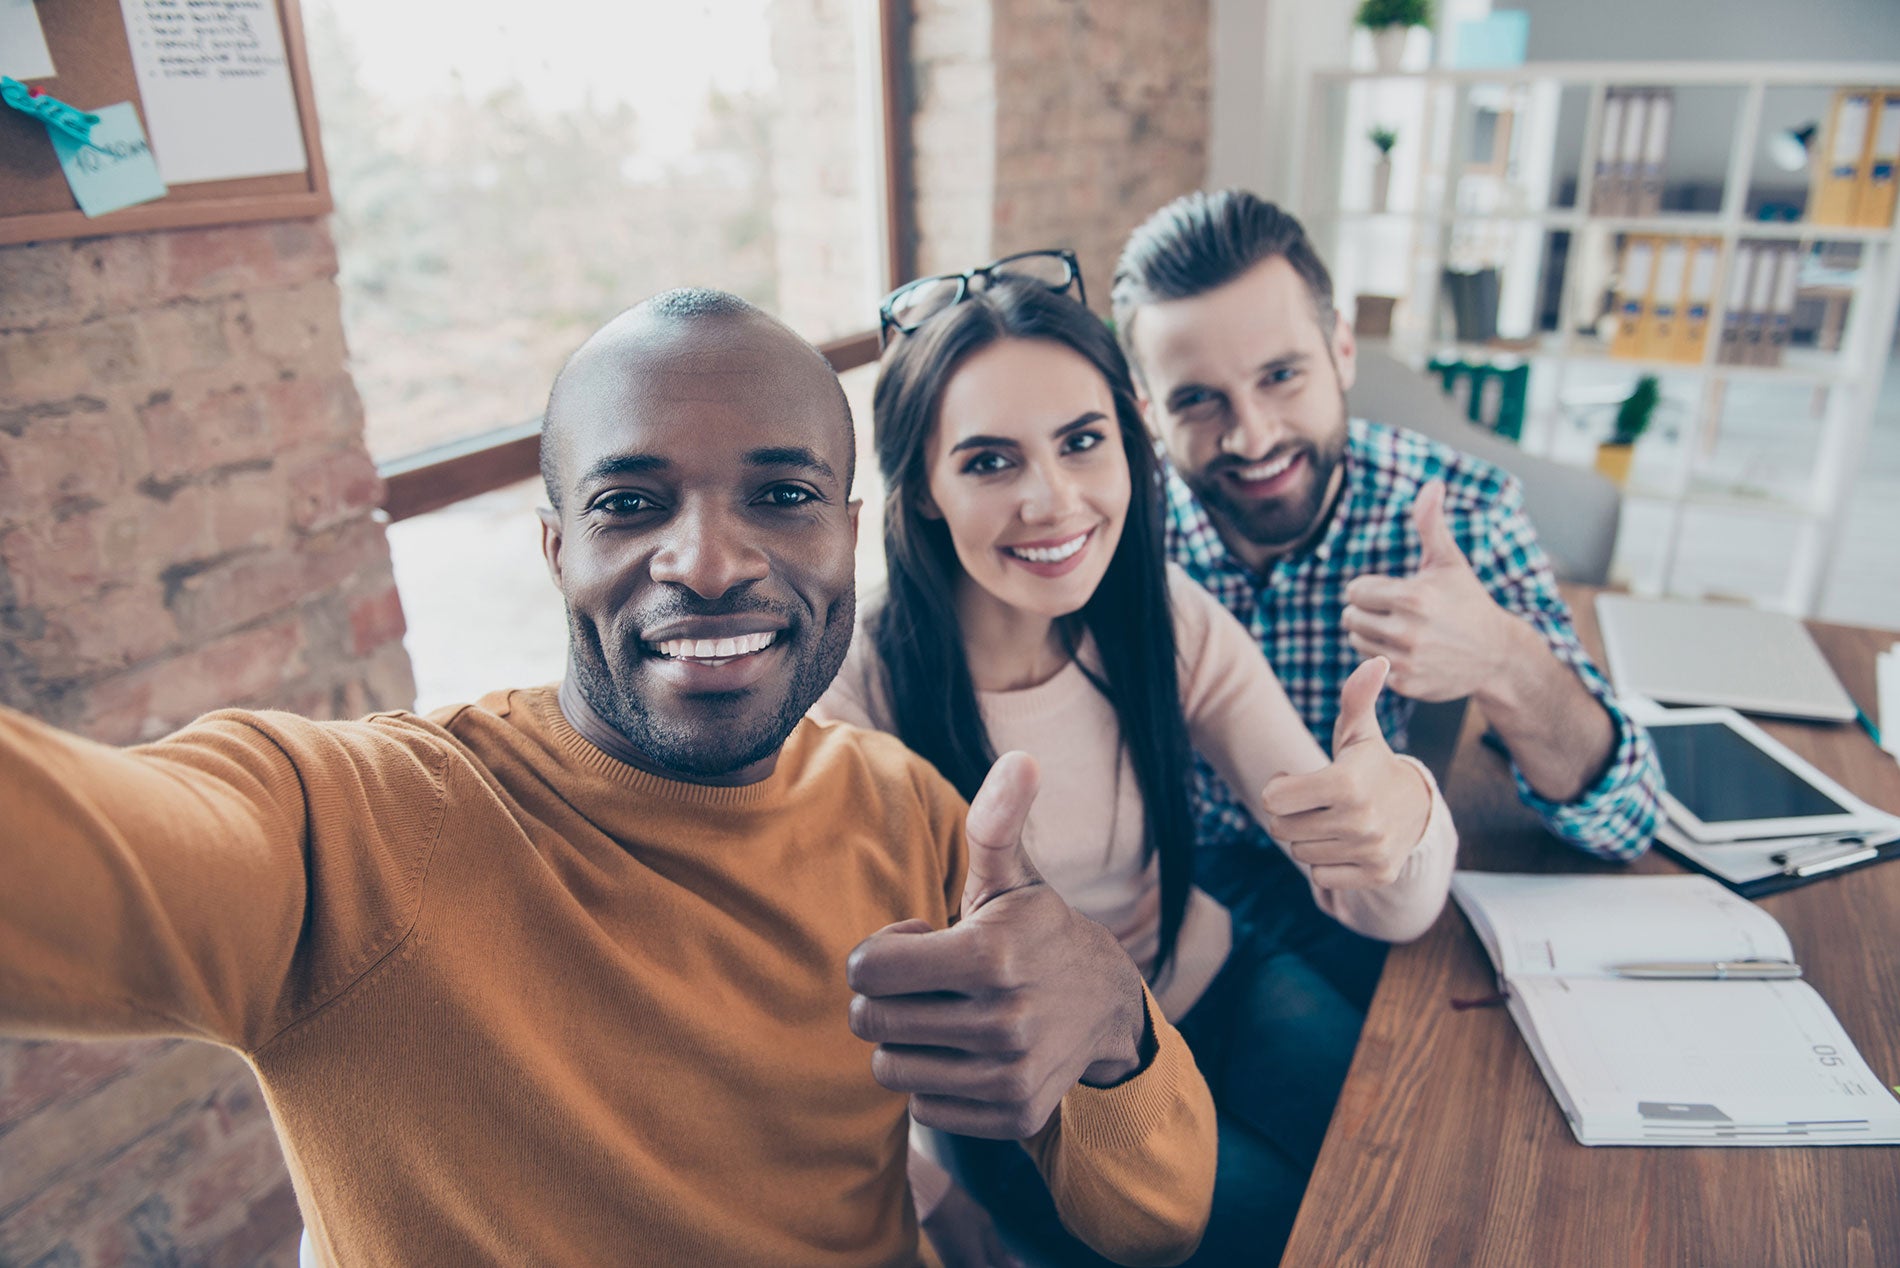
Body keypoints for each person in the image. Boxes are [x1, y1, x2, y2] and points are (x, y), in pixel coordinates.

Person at [0, 290, 1219, 1268]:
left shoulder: (906, 807)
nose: (705, 561)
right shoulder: (356, 826)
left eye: (783, 496)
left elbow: (1156, 1220)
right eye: (630, 503)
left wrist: (1112, 1019)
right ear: (555, 549)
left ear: (848, 533)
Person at [811, 265, 1457, 1264]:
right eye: (989, 461)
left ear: (1127, 444)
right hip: (1041, 1085)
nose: (1053, 500)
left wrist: (1399, 807)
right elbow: (827, 1003)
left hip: (1209, 978)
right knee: (1295, 1233)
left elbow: (1386, 907)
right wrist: (928, 1191)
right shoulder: (855, 690)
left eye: (1081, 441)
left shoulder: (1164, 612)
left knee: (1424, 1162)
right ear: (925, 492)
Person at [1110, 191, 1662, 919]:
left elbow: (1625, 819)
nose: (1251, 437)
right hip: (1163, 890)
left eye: (1281, 376)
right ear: (1149, 411)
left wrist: (1503, 657)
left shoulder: (1463, 512)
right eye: (1199, 402)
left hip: (1378, 889)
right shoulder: (1107, 531)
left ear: (1342, 350)